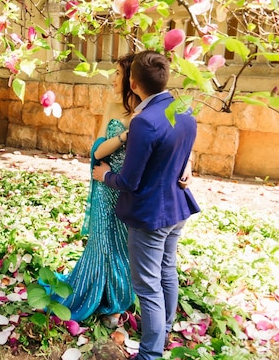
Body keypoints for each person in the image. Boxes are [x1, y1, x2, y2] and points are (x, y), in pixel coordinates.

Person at [92, 50, 200, 360]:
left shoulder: (144, 123)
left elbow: (130, 181)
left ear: (134, 83)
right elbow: (181, 147)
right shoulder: (184, 107)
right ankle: (164, 330)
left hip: (150, 216)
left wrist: (106, 175)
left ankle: (150, 354)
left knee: (148, 285)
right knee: (167, 271)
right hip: (178, 208)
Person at [52, 53, 139, 325]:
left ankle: (120, 298)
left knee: (125, 248)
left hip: (130, 190)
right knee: (103, 246)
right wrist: (125, 135)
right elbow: (97, 150)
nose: (113, 79)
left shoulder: (147, 112)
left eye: (117, 74)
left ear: (132, 81)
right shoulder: (114, 108)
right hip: (105, 184)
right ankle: (102, 298)